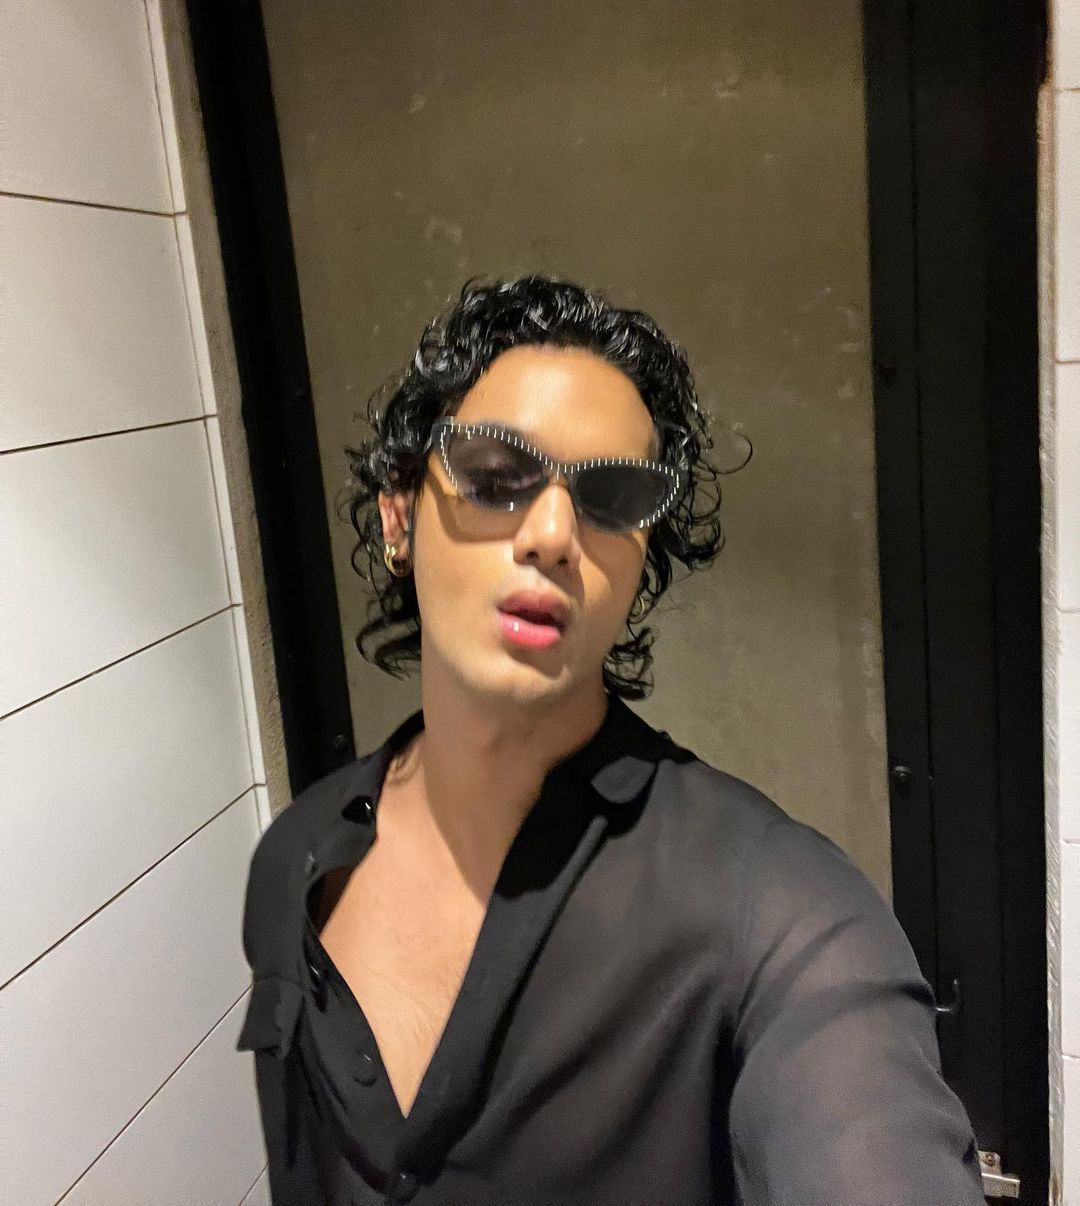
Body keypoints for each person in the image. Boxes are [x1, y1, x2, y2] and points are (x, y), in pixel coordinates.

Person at [237, 275, 986, 1204]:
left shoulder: (776, 913)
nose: (554, 534)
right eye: (494, 476)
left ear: (637, 566)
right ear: (400, 517)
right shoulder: (294, 860)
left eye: (611, 498)